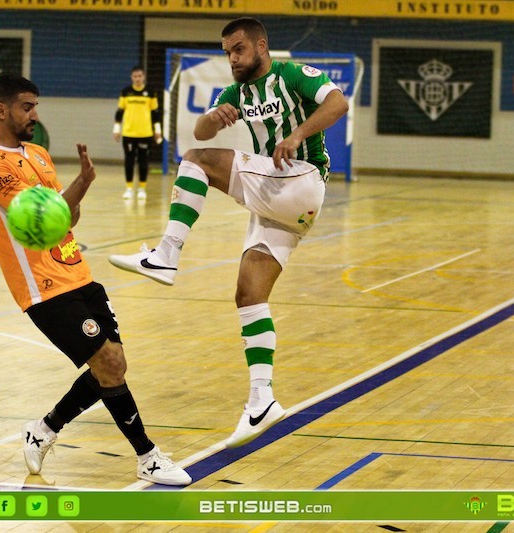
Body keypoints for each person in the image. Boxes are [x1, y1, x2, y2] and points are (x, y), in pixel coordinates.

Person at [109, 18, 349, 448]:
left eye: (238, 49)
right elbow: (201, 132)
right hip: (282, 200)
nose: (232, 59)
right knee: (249, 295)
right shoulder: (235, 93)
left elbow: (338, 103)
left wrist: (297, 134)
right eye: (226, 52)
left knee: (196, 160)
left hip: (301, 177)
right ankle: (262, 400)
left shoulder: (292, 75)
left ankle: (166, 253)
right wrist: (212, 117)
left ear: (261, 45)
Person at [0, 73, 190, 486]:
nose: (35, 114)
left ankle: (43, 430)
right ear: (0, 110)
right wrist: (81, 183)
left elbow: (67, 218)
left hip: (77, 273)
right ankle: (147, 456)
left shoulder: (37, 154)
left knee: (113, 365)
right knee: (108, 363)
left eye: (36, 105)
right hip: (43, 288)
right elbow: (43, 217)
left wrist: (78, 192)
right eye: (26, 106)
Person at [113, 65, 162, 201]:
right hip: (129, 133)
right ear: (131, 77)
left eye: (140, 76)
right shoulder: (126, 92)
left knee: (143, 161)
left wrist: (157, 131)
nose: (138, 79)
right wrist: (116, 129)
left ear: (144, 77)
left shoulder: (150, 92)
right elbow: (119, 112)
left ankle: (142, 188)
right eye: (135, 76)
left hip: (145, 133)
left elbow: (155, 113)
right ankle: (129, 188)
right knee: (129, 161)